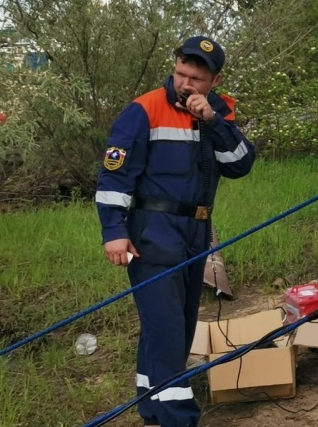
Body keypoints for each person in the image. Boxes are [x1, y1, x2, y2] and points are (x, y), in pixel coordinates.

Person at [95, 36, 256, 427]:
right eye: (181, 73)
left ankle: (152, 410)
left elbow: (240, 164)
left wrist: (213, 122)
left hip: (197, 231)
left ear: (213, 81)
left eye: (196, 78)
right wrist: (113, 230)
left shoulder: (219, 112)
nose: (186, 84)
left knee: (177, 327)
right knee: (166, 329)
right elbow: (114, 176)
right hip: (153, 230)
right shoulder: (144, 110)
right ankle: (178, 419)